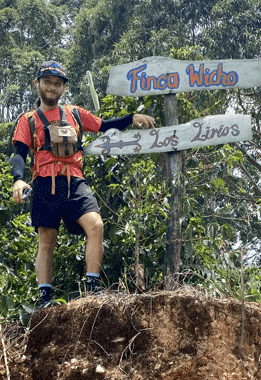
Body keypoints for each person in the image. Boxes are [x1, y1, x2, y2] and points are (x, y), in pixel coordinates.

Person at [11, 61, 156, 307]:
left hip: (75, 181)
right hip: (45, 183)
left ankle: (93, 288)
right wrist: (18, 179)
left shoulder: (75, 114)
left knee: (96, 225)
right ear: (38, 84)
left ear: (63, 88)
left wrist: (132, 118)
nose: (52, 88)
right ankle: (45, 297)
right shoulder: (29, 120)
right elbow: (19, 153)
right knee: (47, 241)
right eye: (47, 82)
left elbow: (104, 125)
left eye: (57, 84)